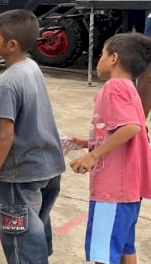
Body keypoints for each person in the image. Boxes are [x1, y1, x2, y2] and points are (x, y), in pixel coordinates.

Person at [0, 9, 65, 264]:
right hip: (49, 168)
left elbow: (5, 137)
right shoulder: (32, 67)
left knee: (21, 245)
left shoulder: (7, 82)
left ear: (11, 45)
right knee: (36, 233)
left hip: (21, 176)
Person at [66, 33, 151, 264]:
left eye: (102, 53)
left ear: (114, 58)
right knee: (125, 247)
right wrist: (86, 142)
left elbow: (131, 127)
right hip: (128, 191)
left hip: (112, 191)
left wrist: (93, 156)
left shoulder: (113, 87)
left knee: (104, 255)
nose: (98, 59)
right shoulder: (129, 87)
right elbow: (122, 130)